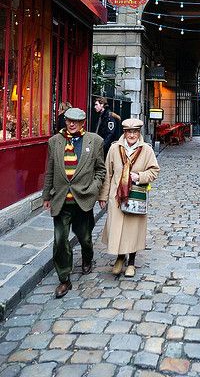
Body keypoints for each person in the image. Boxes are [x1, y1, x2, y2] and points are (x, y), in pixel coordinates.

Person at [42, 107, 106, 298]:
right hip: (61, 200)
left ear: (83, 123)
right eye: (68, 120)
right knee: (60, 240)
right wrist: (46, 196)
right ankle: (64, 279)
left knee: (84, 237)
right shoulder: (54, 142)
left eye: (75, 121)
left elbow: (100, 170)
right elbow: (50, 171)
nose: (71, 124)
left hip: (83, 199)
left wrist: (94, 189)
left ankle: (87, 258)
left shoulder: (95, 141)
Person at [98, 118, 160, 278]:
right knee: (117, 228)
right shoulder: (114, 149)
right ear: (124, 133)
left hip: (135, 196)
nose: (132, 135)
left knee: (133, 230)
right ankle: (120, 257)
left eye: (135, 132)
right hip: (116, 196)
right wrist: (103, 195)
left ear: (139, 133)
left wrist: (139, 176)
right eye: (128, 132)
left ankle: (131, 261)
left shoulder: (146, 150)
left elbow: (154, 171)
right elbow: (108, 173)